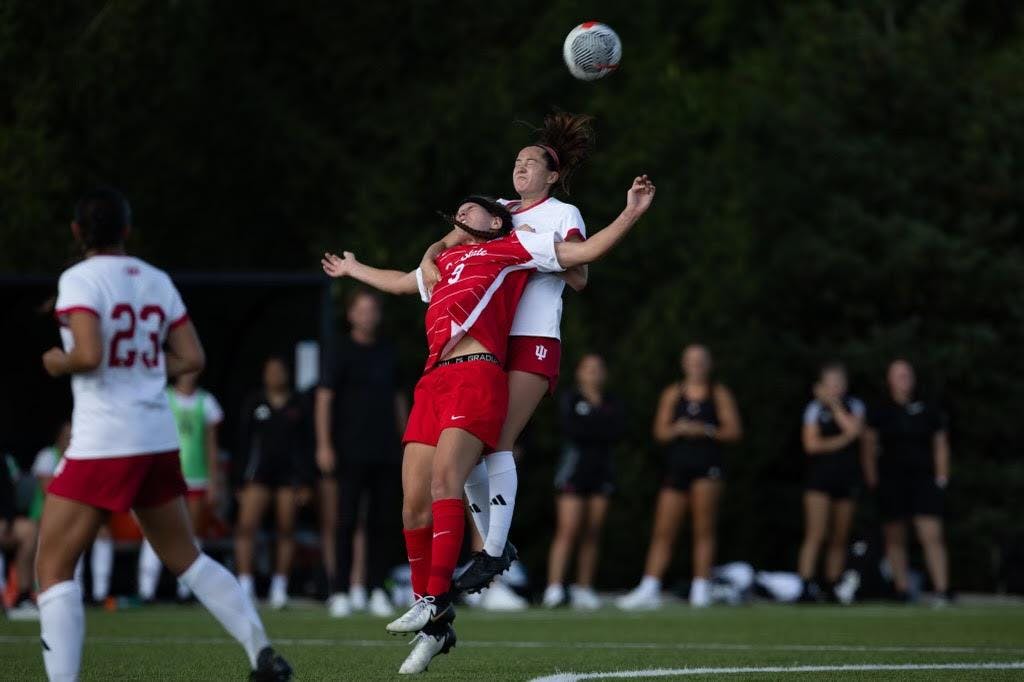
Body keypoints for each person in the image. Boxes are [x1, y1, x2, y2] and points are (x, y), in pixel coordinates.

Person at [322, 175, 655, 674]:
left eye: (468, 210)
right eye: (455, 211)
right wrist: (353, 268)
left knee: (444, 482)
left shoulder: (512, 248)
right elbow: (397, 281)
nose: (460, 214)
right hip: (432, 379)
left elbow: (582, 259)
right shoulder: (444, 261)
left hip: (477, 375)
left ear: (495, 221)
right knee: (412, 505)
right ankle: (434, 625)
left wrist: (630, 212)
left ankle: (439, 595)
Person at [36, 187, 290, 681]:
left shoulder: (79, 278)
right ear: (126, 231)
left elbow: (87, 355)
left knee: (51, 569)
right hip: (155, 438)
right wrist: (149, 367)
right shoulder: (154, 279)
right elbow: (193, 357)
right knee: (185, 556)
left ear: (76, 232)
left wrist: (55, 361)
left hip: (104, 440)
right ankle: (260, 649)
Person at [418, 112, 594, 592]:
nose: (520, 168)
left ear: (552, 176)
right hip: (489, 342)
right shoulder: (499, 209)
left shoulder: (563, 214)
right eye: (517, 161)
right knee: (474, 452)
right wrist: (428, 255)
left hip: (534, 339)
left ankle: (493, 552)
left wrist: (543, 254)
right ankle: (492, 549)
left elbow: (580, 276)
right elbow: (445, 243)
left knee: (496, 442)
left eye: (531, 162)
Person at [617, 344, 742, 609]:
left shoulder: (717, 393)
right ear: (684, 364)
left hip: (707, 468)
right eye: (691, 360)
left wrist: (706, 430)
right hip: (678, 467)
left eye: (701, 360)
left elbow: (733, 431)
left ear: (709, 364)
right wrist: (679, 429)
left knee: (703, 530)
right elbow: (660, 432)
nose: (696, 365)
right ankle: (649, 586)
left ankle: (701, 588)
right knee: (664, 530)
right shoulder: (674, 393)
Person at [316, 288, 407, 618]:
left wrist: (407, 440)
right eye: (362, 310)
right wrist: (324, 444)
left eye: (373, 310)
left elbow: (399, 400)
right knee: (346, 520)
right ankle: (339, 590)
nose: (368, 315)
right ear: (352, 314)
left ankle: (374, 589)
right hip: (348, 449)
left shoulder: (388, 351)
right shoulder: (339, 351)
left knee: (383, 522)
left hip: (385, 449)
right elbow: (324, 398)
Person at [862, 359, 952, 605]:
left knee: (931, 534)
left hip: (923, 479)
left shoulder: (928, 408)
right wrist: (873, 480)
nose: (904, 379)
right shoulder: (880, 410)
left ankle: (942, 589)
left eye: (907, 374)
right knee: (895, 536)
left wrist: (941, 477)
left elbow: (940, 444)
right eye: (898, 375)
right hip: (892, 480)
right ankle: (901, 589)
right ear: (889, 379)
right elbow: (868, 446)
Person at [542, 353, 624, 610]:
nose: (594, 373)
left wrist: (594, 426)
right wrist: (596, 427)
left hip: (602, 471)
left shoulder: (612, 401)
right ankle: (554, 587)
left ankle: (584, 587)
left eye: (598, 368)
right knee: (567, 530)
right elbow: (573, 430)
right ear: (579, 373)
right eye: (588, 368)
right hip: (574, 471)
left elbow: (616, 431)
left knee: (592, 531)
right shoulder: (571, 399)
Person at [138, 371, 224, 601]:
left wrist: (213, 482)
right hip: (167, 473)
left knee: (193, 532)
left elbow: (211, 445)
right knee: (156, 530)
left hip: (197, 476)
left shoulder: (206, 401)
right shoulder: (164, 397)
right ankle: (146, 589)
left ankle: (186, 590)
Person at [235, 356, 312, 610]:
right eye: (270, 371)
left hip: (289, 476)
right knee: (247, 526)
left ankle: (280, 587)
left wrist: (305, 481)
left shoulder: (299, 403)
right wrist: (238, 480)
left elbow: (306, 444)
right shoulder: (254, 402)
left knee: (286, 528)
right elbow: (243, 443)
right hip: (258, 474)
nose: (275, 376)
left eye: (279, 371)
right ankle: (245, 586)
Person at [796, 362, 865, 603]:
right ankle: (806, 584)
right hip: (819, 478)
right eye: (831, 384)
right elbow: (812, 445)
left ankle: (833, 584)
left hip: (846, 477)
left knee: (840, 535)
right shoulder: (814, 409)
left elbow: (854, 431)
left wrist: (836, 408)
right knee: (816, 532)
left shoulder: (854, 406)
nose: (835, 388)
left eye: (839, 383)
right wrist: (843, 440)